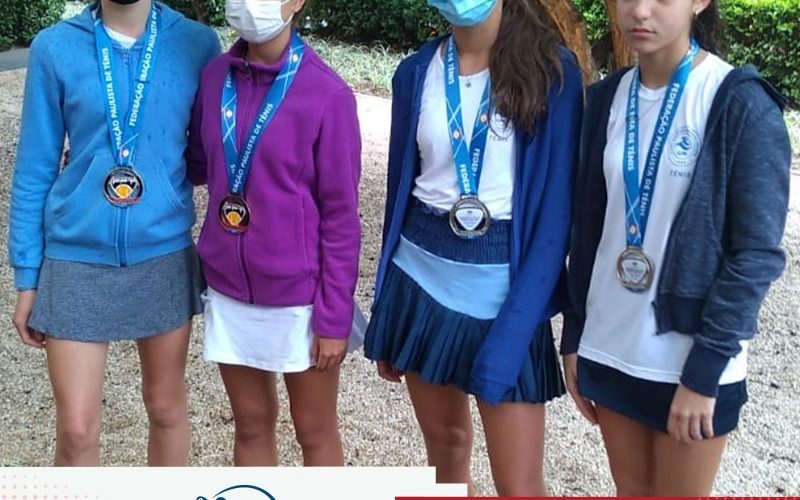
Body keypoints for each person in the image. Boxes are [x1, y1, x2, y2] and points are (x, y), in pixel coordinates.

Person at [562, 0, 791, 495]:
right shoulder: (606, 98)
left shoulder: (739, 103)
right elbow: (588, 227)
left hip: (690, 362)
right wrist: (575, 334)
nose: (640, 11)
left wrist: (704, 374)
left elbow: (756, 254)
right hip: (612, 346)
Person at [363, 0, 583, 495]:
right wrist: (386, 306)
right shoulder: (415, 72)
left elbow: (556, 220)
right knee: (445, 455)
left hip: (507, 299)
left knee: (519, 486)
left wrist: (519, 325)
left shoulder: (553, 73)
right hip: (419, 286)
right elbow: (400, 193)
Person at [9, 0, 220, 465]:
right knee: (76, 430)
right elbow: (35, 167)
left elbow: (209, 152)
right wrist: (27, 275)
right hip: (74, 257)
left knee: (166, 408)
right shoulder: (54, 47)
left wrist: (161, 187)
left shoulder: (196, 43)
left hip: (162, 253)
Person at [186, 0, 362, 466]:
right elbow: (196, 163)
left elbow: (342, 217)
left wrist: (334, 317)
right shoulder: (214, 78)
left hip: (299, 300)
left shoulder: (327, 94)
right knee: (249, 422)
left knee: (314, 431)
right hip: (228, 289)